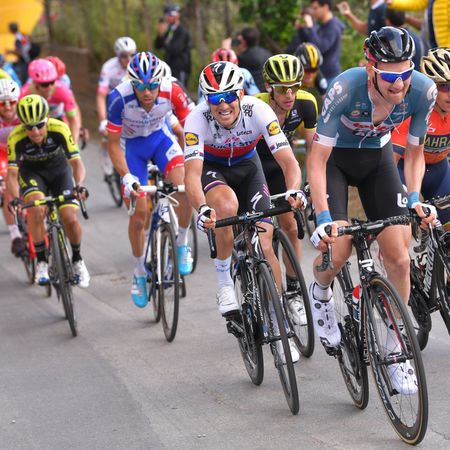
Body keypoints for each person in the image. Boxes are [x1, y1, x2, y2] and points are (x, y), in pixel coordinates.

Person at [307, 27, 436, 393]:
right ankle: (320, 292)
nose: (399, 84)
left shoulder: (423, 91)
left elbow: (414, 154)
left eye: (405, 73)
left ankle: (396, 349)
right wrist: (322, 217)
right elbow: (316, 160)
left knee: (400, 258)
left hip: (378, 162)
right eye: (390, 76)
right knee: (338, 247)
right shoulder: (344, 89)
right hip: (336, 162)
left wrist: (414, 197)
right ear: (370, 68)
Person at [184, 61, 306, 362]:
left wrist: (293, 190)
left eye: (228, 96)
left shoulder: (258, 110)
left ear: (240, 93)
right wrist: (202, 208)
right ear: (206, 99)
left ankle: (279, 323)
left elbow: (288, 161)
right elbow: (192, 175)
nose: (222, 105)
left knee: (265, 243)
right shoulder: (196, 119)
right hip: (214, 170)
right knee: (226, 207)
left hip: (249, 167)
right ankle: (225, 283)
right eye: (214, 98)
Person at [106, 51, 194, 308]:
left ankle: (182, 242)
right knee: (139, 214)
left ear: (160, 81)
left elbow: (191, 130)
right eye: (140, 86)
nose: (147, 92)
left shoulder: (172, 90)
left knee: (185, 187)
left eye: (152, 85)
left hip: (160, 140)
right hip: (132, 149)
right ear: (131, 83)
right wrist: (126, 176)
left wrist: (196, 164)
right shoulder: (118, 98)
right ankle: (139, 272)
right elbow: (113, 144)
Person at [256, 54, 318, 325]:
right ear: (269, 86)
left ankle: (293, 292)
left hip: (283, 165)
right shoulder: (255, 105)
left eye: (295, 86)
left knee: (291, 227)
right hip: (255, 166)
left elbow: (313, 149)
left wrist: (310, 183)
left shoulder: (306, 103)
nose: (290, 94)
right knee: (260, 232)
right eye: (282, 88)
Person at [6, 95, 90, 287]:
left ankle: (77, 259)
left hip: (59, 170)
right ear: (22, 126)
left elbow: (76, 162)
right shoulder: (16, 137)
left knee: (70, 217)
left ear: (47, 119)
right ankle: (42, 261)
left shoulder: (59, 128)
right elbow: (12, 174)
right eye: (29, 127)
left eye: (39, 125)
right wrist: (15, 198)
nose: (35, 131)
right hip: (32, 174)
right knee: (36, 209)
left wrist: (79, 185)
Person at [392, 47, 450, 232]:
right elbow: (391, 159)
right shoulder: (414, 109)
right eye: (444, 86)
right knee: (399, 230)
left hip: (439, 171)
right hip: (403, 169)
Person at [97, 37, 137, 178]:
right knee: (107, 133)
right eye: (124, 56)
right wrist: (103, 121)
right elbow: (101, 95)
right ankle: (107, 162)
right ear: (117, 56)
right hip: (113, 101)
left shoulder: (138, 65)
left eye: (132, 55)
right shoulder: (108, 68)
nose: (128, 59)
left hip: (131, 101)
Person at [21, 59, 82, 145]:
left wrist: (74, 144)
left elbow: (73, 119)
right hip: (35, 123)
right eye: (45, 84)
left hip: (59, 118)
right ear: (35, 83)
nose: (50, 87)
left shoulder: (62, 89)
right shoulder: (25, 93)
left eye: (52, 82)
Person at [292, 0, 345, 84]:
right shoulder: (323, 25)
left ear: (326, 7)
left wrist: (310, 27)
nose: (313, 11)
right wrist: (302, 28)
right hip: (319, 75)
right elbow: (308, 44)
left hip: (329, 77)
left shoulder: (333, 26)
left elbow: (319, 48)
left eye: (315, 8)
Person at [0, 79, 23, 256]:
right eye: (2, 103)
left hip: (22, 152)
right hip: (2, 156)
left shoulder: (24, 113)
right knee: (6, 186)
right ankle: (15, 235)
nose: (8, 107)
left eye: (11, 102)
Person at [154, 4, 192, 86]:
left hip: (180, 69)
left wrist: (164, 40)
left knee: (180, 90)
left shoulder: (182, 32)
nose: (168, 17)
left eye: (170, 14)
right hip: (169, 69)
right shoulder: (168, 30)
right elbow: (157, 46)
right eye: (167, 15)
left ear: (177, 15)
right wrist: (160, 35)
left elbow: (175, 49)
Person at [233, 27, 271, 92]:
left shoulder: (243, 58)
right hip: (267, 91)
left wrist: (225, 49)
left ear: (243, 41)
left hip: (253, 94)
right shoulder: (267, 53)